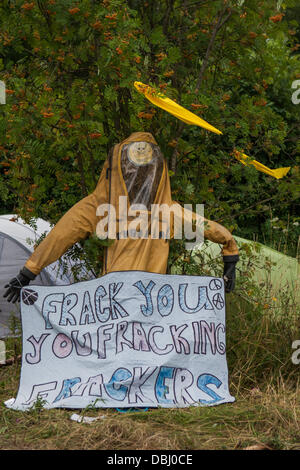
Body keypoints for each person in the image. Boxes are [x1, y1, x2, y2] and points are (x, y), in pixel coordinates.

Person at [3, 132, 239, 303]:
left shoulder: (162, 211)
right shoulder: (106, 206)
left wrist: (30, 271)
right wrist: (29, 271)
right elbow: (61, 236)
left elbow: (61, 235)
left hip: (136, 302)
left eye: (143, 171)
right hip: (130, 301)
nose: (138, 176)